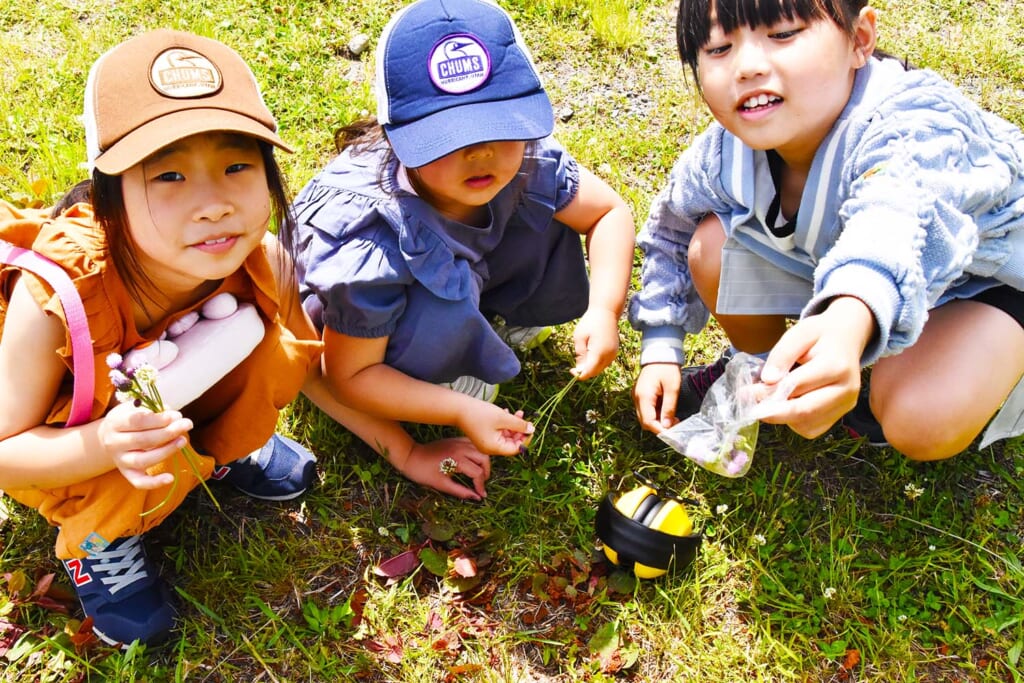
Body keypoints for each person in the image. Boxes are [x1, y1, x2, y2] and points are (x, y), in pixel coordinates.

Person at [0, 30, 326, 648]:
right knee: (131, 422)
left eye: (237, 166)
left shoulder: (262, 258)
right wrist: (101, 444)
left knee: (266, 345)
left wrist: (397, 443)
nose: (213, 205)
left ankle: (217, 449)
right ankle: (99, 543)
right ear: (108, 200)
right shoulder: (57, 300)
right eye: (169, 175)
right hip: (65, 435)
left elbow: (314, 366)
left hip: (157, 418)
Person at [629, 0, 1024, 461]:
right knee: (709, 247)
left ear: (859, 40)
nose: (748, 66)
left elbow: (896, 215)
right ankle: (767, 372)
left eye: (783, 34)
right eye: (718, 48)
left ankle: (895, 378)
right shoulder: (722, 154)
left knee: (920, 417)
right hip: (847, 275)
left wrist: (847, 321)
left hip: (983, 281)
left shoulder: (914, 124)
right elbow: (671, 229)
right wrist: (661, 342)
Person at [290, 0, 636, 500]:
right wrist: (447, 418)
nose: (481, 154)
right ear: (397, 136)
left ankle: (488, 322)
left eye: (499, 127)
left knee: (543, 208)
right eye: (447, 138)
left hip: (450, 267)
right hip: (352, 335)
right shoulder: (371, 243)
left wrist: (605, 310)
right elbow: (346, 375)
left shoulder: (521, 161)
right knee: (436, 300)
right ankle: (440, 368)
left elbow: (607, 214)